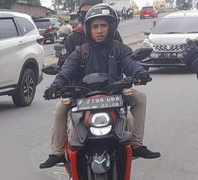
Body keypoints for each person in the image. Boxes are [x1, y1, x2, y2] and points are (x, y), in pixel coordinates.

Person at [40, 4, 160, 168]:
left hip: (114, 94)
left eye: (103, 25)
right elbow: (66, 71)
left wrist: (140, 73)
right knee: (61, 107)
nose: (99, 30)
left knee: (139, 98)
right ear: (89, 29)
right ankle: (57, 153)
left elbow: (131, 63)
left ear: (111, 27)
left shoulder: (120, 49)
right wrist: (55, 86)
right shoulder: (79, 51)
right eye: (95, 26)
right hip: (82, 97)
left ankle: (136, 145)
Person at [58, 0, 123, 68]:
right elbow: (63, 65)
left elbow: (127, 60)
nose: (99, 31)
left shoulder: (113, 35)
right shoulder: (74, 37)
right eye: (83, 14)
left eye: (103, 26)